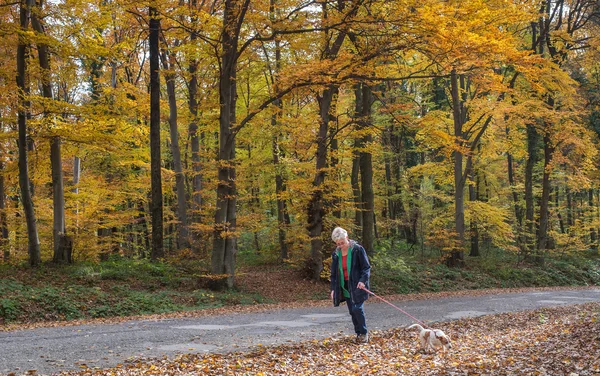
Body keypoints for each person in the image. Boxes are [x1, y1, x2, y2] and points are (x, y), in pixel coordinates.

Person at [329, 226, 371, 343]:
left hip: (357, 285)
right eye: (338, 244)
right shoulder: (336, 254)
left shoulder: (357, 249)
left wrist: (363, 281)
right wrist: (333, 289)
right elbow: (333, 274)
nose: (340, 246)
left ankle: (363, 333)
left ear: (347, 238)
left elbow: (366, 268)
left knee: (357, 308)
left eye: (342, 243)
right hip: (344, 286)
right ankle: (358, 334)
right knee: (352, 311)